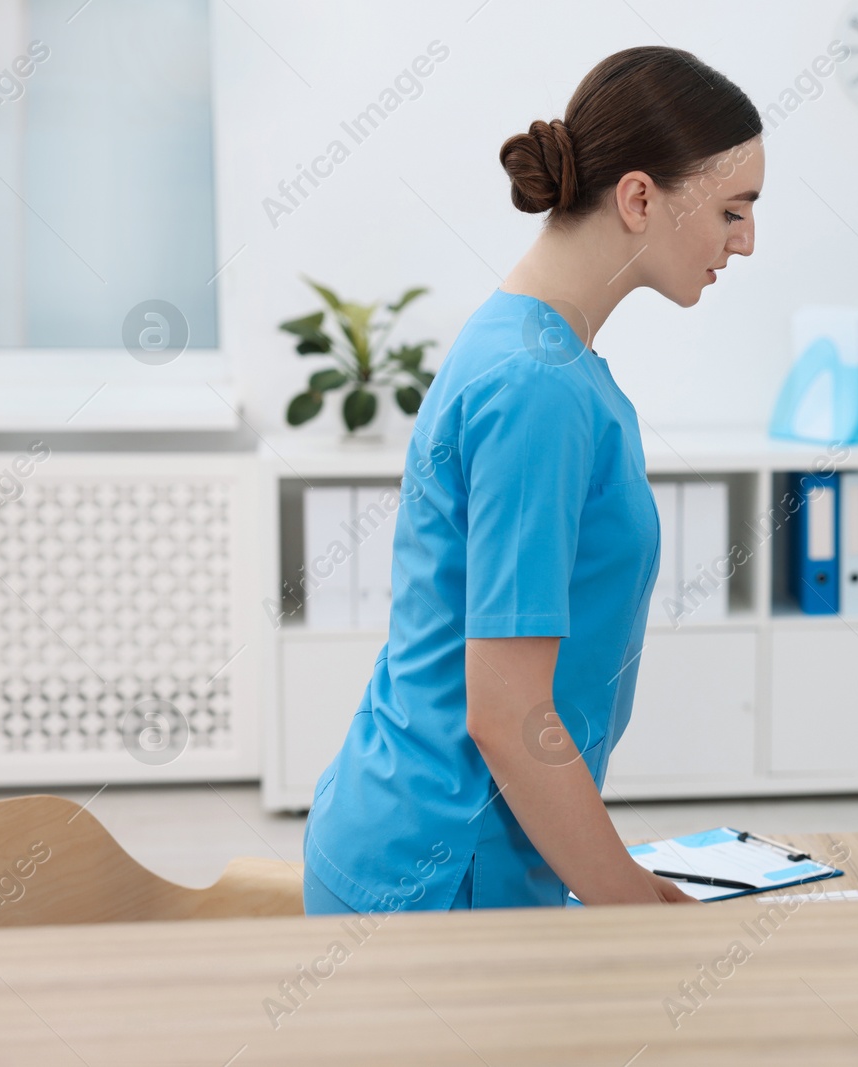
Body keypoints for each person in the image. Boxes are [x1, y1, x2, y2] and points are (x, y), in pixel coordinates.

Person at [301, 46, 765, 913]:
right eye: (734, 211)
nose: (746, 241)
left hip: (445, 842)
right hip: (437, 872)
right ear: (638, 198)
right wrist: (627, 900)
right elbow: (508, 713)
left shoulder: (538, 350)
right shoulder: (539, 386)